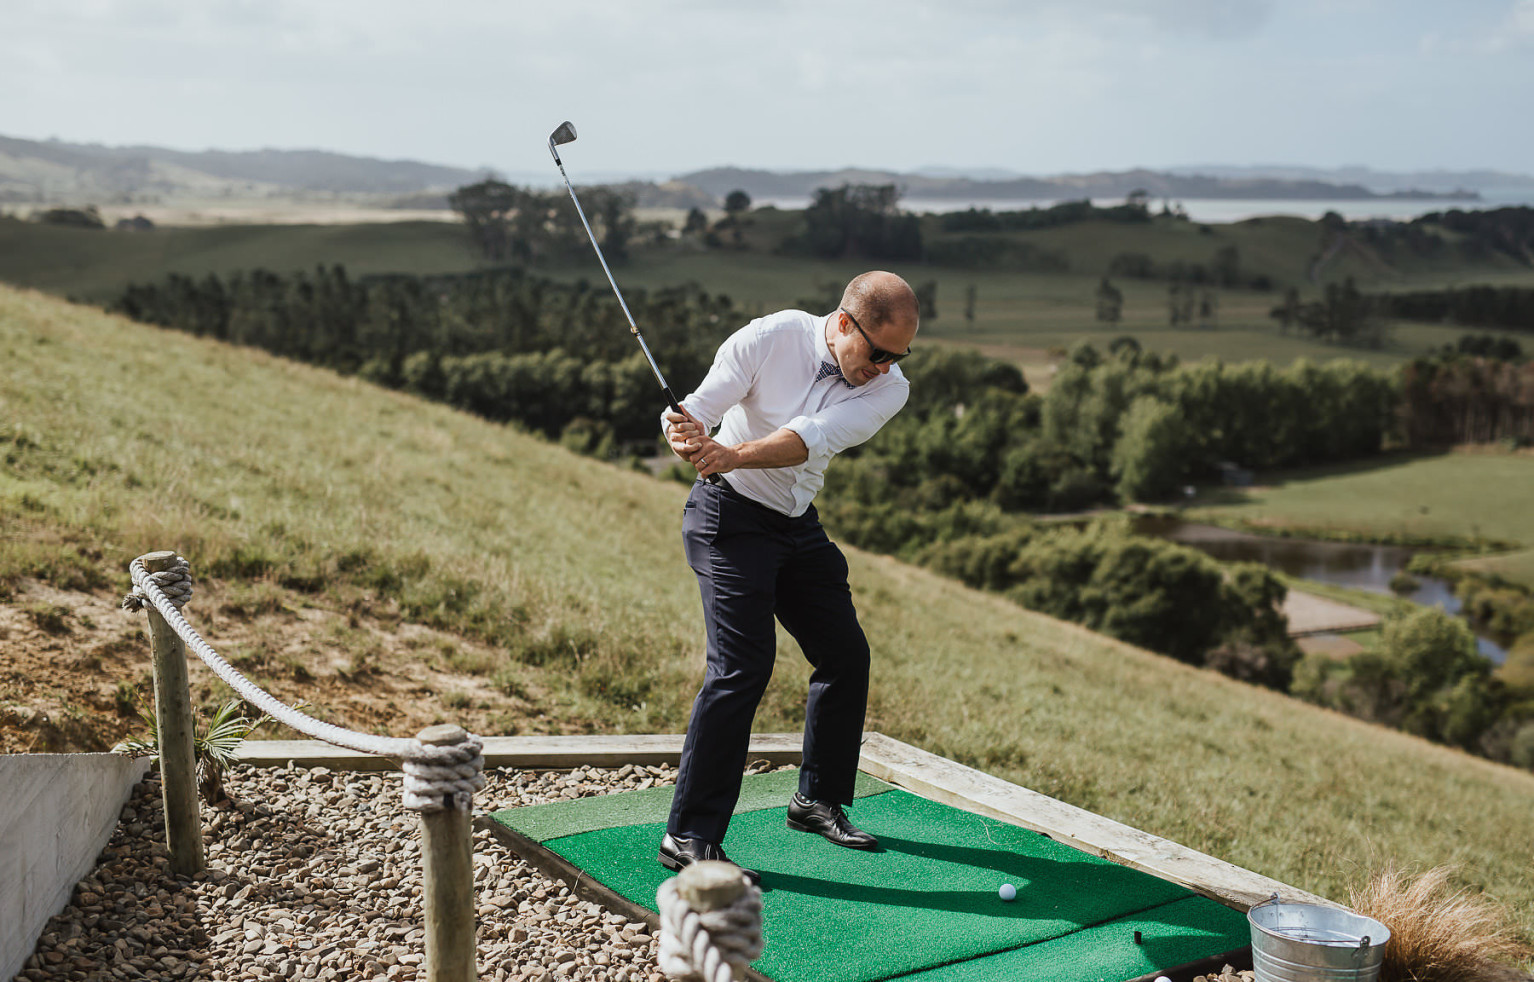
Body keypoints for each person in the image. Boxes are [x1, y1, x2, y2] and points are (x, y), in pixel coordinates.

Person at [657, 270, 919, 884]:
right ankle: (687, 836)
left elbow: (811, 437)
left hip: (795, 523)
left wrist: (731, 452)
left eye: (899, 357)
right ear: (845, 322)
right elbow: (698, 408)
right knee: (742, 667)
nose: (886, 368)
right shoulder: (771, 336)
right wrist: (683, 432)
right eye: (878, 353)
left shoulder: (889, 388)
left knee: (845, 653)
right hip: (726, 515)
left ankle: (816, 801)